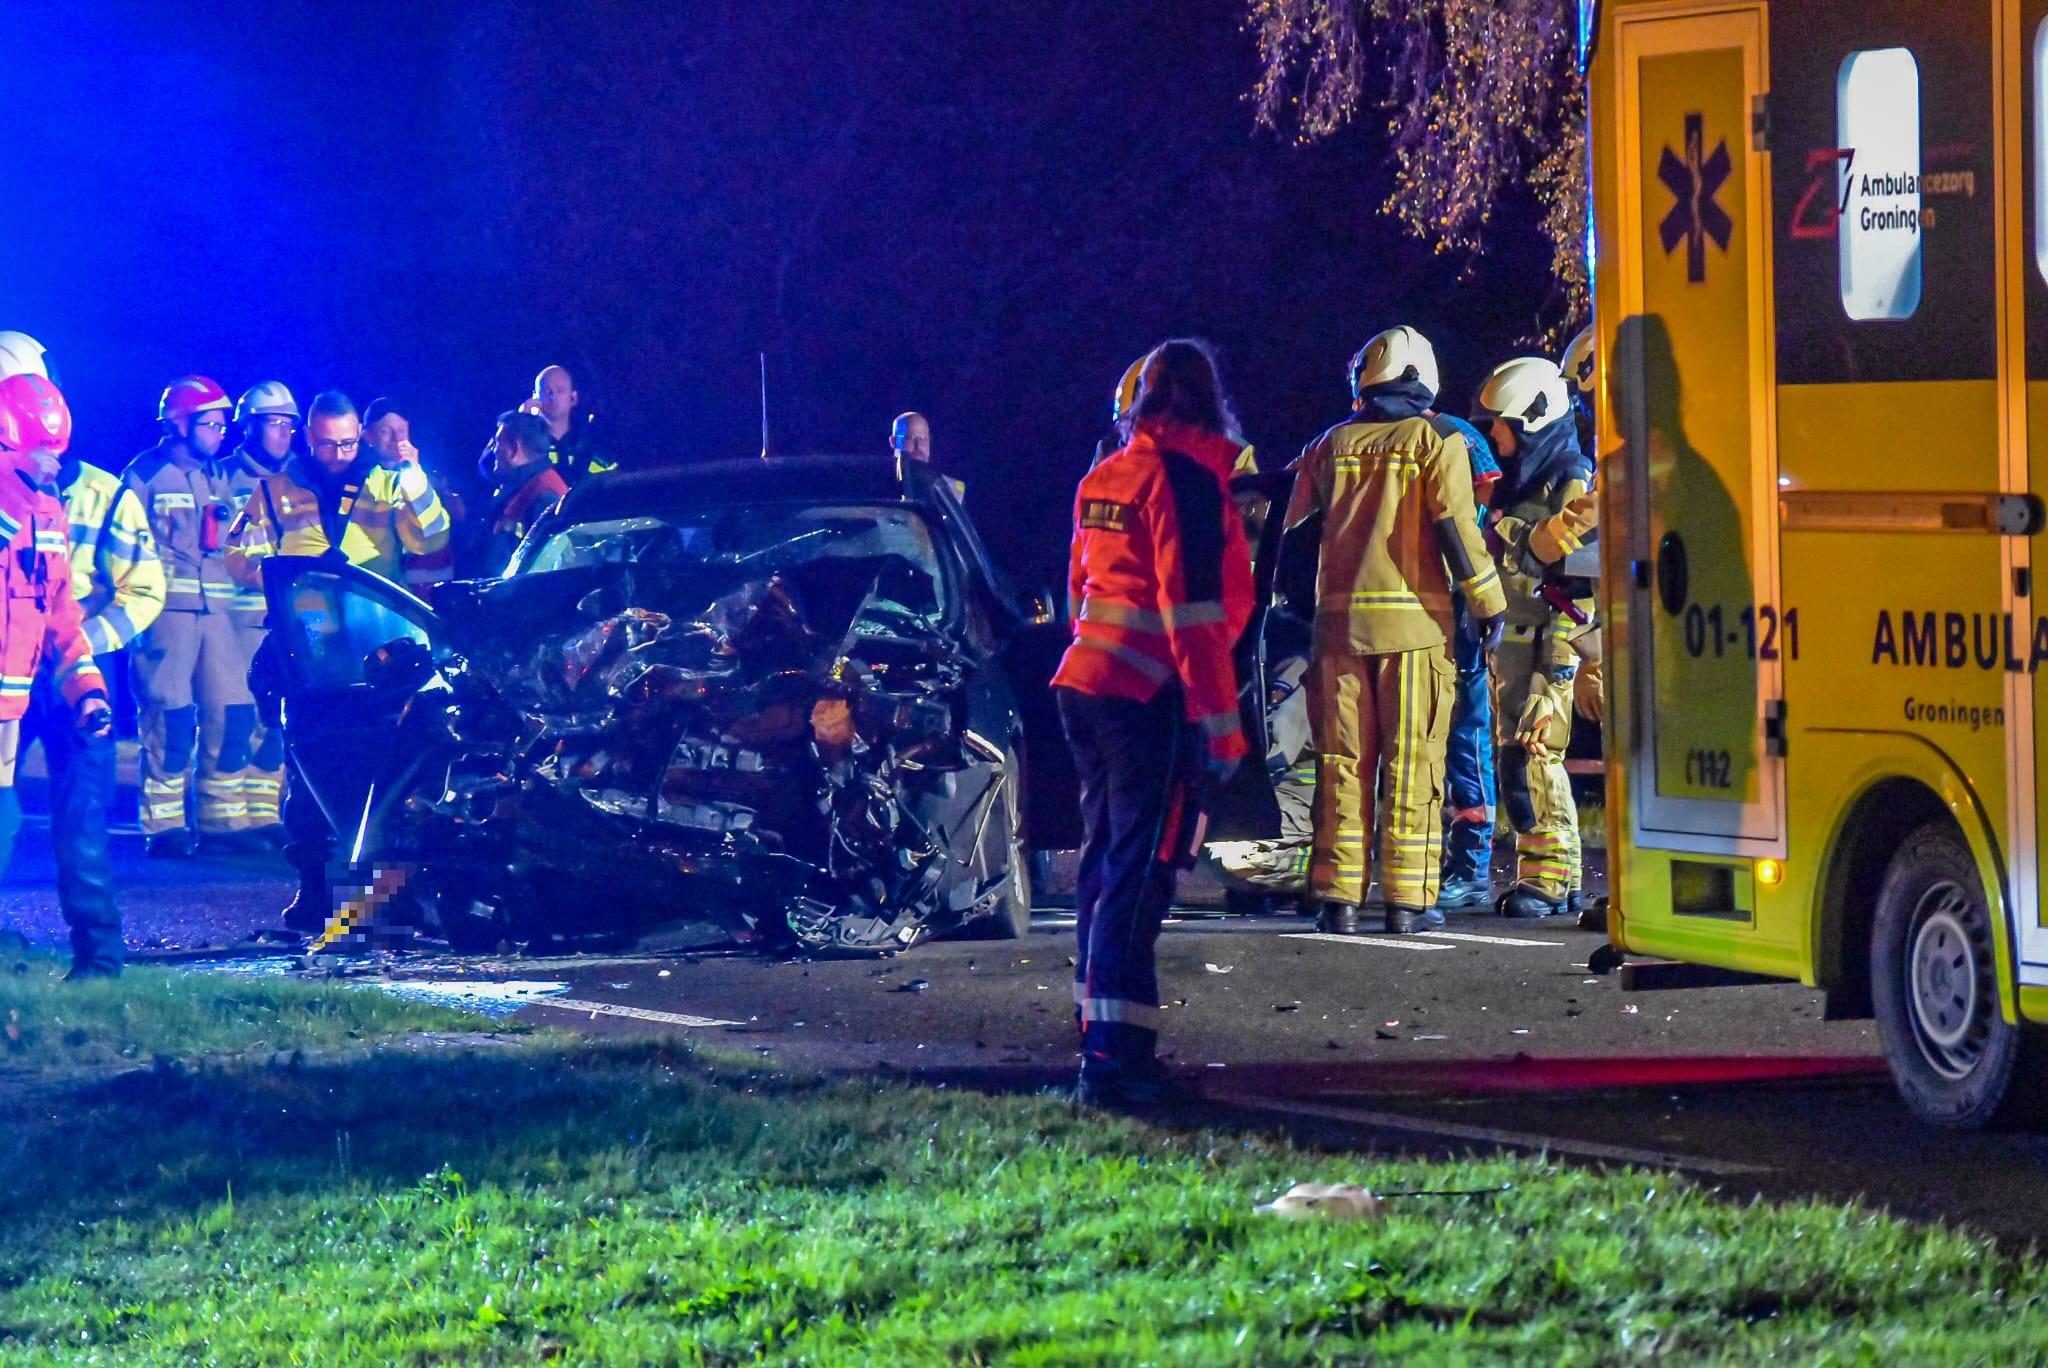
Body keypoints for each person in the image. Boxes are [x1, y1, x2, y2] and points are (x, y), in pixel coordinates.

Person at [1053, 339, 1253, 1106]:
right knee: (1141, 874)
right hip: (1148, 696)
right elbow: (1193, 615)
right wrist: (1222, 728)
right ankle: (1115, 1064)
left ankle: (1098, 1033)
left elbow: (1081, 587)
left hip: (1087, 684)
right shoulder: (1188, 481)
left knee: (1106, 865)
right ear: (1209, 401)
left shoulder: (1105, 475)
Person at [1287, 331, 1505, 936]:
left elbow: (1278, 520)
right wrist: (1490, 604)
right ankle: (1407, 904)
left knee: (1341, 767)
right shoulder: (1436, 440)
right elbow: (1456, 528)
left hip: (1337, 636)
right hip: (1415, 634)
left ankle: (1338, 901)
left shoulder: (1329, 444)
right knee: (1413, 767)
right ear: (1421, 375)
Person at [224, 391, 452, 929]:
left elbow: (433, 536)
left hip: (378, 647)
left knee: (388, 776)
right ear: (310, 438)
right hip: (308, 647)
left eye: (348, 444)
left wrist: (414, 475)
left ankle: (388, 899)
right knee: (310, 775)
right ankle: (316, 892)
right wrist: (288, 579)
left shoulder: (389, 481)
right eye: (328, 445)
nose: (339, 454)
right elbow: (237, 556)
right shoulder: (276, 489)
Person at [1472, 357, 1599, 920]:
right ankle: (1554, 876)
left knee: (1536, 759)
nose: (1494, 434)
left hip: (1547, 644)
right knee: (1516, 764)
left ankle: (1548, 880)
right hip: (1511, 649)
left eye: (1502, 423)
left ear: (1533, 420)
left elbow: (1578, 584)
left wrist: (1558, 672)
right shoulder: (1519, 481)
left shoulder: (1569, 480)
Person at [0, 375, 116, 975]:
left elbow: (60, 615)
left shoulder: (46, 511)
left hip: (11, 710)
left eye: (58, 453)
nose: (53, 466)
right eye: (41, 453)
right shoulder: (16, 507)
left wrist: (87, 691)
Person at [121, 375, 250, 856]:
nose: (220, 433)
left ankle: (223, 821)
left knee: (231, 713)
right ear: (179, 424)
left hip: (218, 614)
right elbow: (122, 549)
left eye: (222, 425)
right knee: (169, 718)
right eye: (211, 424)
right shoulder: (144, 475)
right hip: (166, 616)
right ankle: (165, 826)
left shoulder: (218, 475)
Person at [214, 381, 299, 843]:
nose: (284, 433)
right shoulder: (221, 478)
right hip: (232, 618)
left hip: (284, 621)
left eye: (289, 425)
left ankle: (265, 815)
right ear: (247, 427)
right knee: (234, 721)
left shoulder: (301, 481)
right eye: (274, 423)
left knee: (276, 723)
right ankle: (225, 819)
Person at [363, 397, 457, 599]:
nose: (396, 439)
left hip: (411, 594)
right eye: (386, 431)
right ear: (367, 435)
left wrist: (413, 470)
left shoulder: (420, 477)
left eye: (402, 431)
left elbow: (433, 531)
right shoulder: (359, 478)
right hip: (367, 589)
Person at [482, 409, 569, 574]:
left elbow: (543, 570)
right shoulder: (522, 484)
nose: (494, 450)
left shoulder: (545, 496)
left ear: (513, 449)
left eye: (498, 443)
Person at [524, 364, 615, 482]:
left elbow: (611, 480)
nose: (553, 397)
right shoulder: (526, 442)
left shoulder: (589, 443)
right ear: (535, 397)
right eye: (546, 391)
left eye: (560, 391)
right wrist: (521, 422)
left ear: (573, 398)